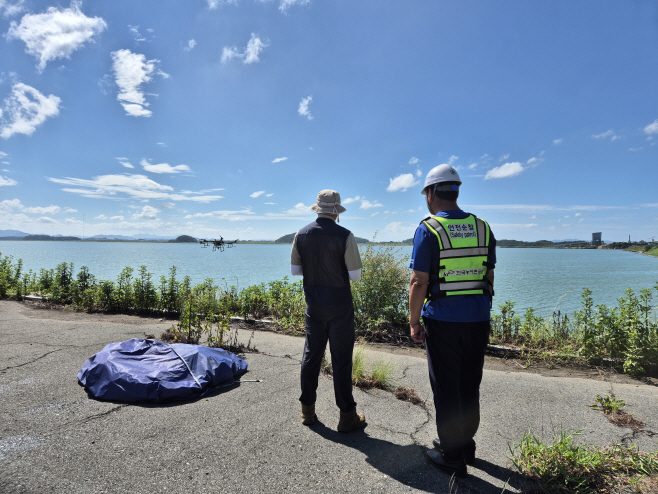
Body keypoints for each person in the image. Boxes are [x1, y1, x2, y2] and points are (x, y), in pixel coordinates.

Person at [408, 164, 496, 478]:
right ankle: (464, 445)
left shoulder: (428, 229)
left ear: (430, 193)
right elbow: (488, 275)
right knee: (469, 384)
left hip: (443, 321)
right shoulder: (483, 227)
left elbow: (419, 281)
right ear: (456, 190)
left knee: (446, 388)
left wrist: (414, 322)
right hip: (477, 320)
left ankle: (452, 456)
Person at [290, 189, 366, 433]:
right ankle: (347, 416)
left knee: (311, 355)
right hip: (340, 305)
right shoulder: (345, 235)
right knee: (341, 359)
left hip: (314, 303)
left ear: (318, 208)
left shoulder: (301, 234)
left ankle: (307, 412)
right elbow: (355, 275)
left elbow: (295, 271)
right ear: (337, 211)